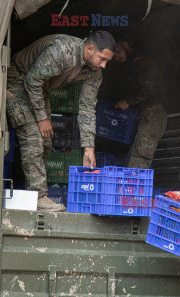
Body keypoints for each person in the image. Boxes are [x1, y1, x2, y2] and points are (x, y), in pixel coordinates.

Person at [6, 31, 115, 212]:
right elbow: (32, 80)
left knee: (46, 143)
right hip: (19, 79)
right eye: (102, 59)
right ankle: (38, 197)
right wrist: (41, 118)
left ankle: (29, 192)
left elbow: (87, 108)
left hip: (40, 88)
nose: (104, 65)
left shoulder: (94, 72)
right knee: (33, 138)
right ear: (90, 48)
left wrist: (88, 147)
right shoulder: (63, 51)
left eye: (107, 61)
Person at [113, 37, 167, 169]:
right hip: (146, 115)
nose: (116, 56)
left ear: (126, 44)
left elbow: (150, 87)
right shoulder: (133, 65)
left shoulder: (141, 62)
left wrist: (128, 101)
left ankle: (133, 189)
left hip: (153, 114)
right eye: (113, 55)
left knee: (139, 159)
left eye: (118, 50)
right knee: (135, 157)